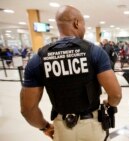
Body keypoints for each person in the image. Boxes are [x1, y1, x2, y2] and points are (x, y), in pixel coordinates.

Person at [20, 5, 122, 141]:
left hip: (62, 129)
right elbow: (116, 94)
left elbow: (27, 110)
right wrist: (109, 104)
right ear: (76, 23)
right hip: (92, 127)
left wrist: (45, 127)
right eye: (84, 24)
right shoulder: (95, 52)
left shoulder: (38, 59)